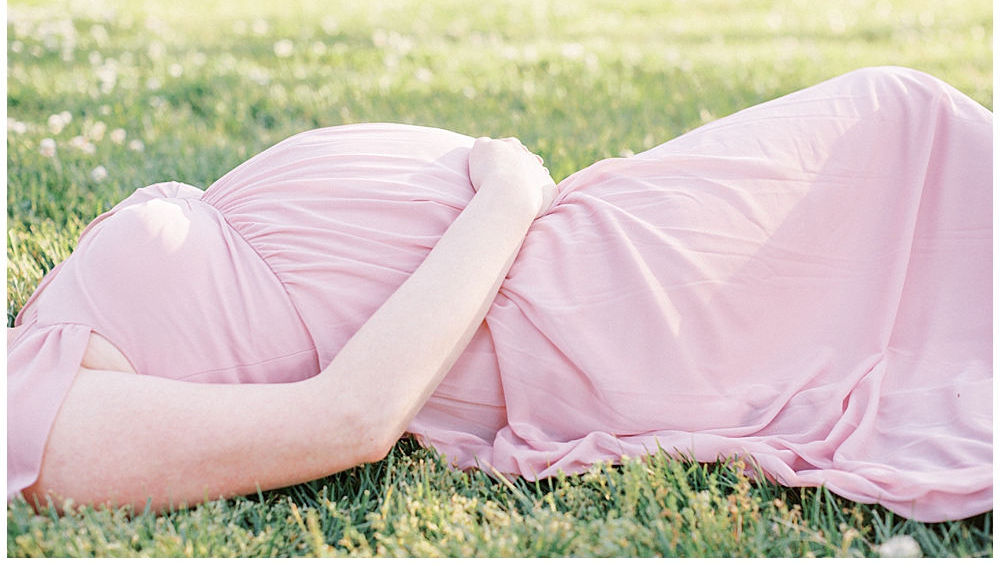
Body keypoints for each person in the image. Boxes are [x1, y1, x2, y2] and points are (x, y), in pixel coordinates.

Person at [7, 67, 992, 522]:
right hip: (562, 303)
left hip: (564, 234)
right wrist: (510, 190)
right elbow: (346, 417)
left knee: (907, 131)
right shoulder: (38, 431)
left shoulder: (29, 345)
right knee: (900, 136)